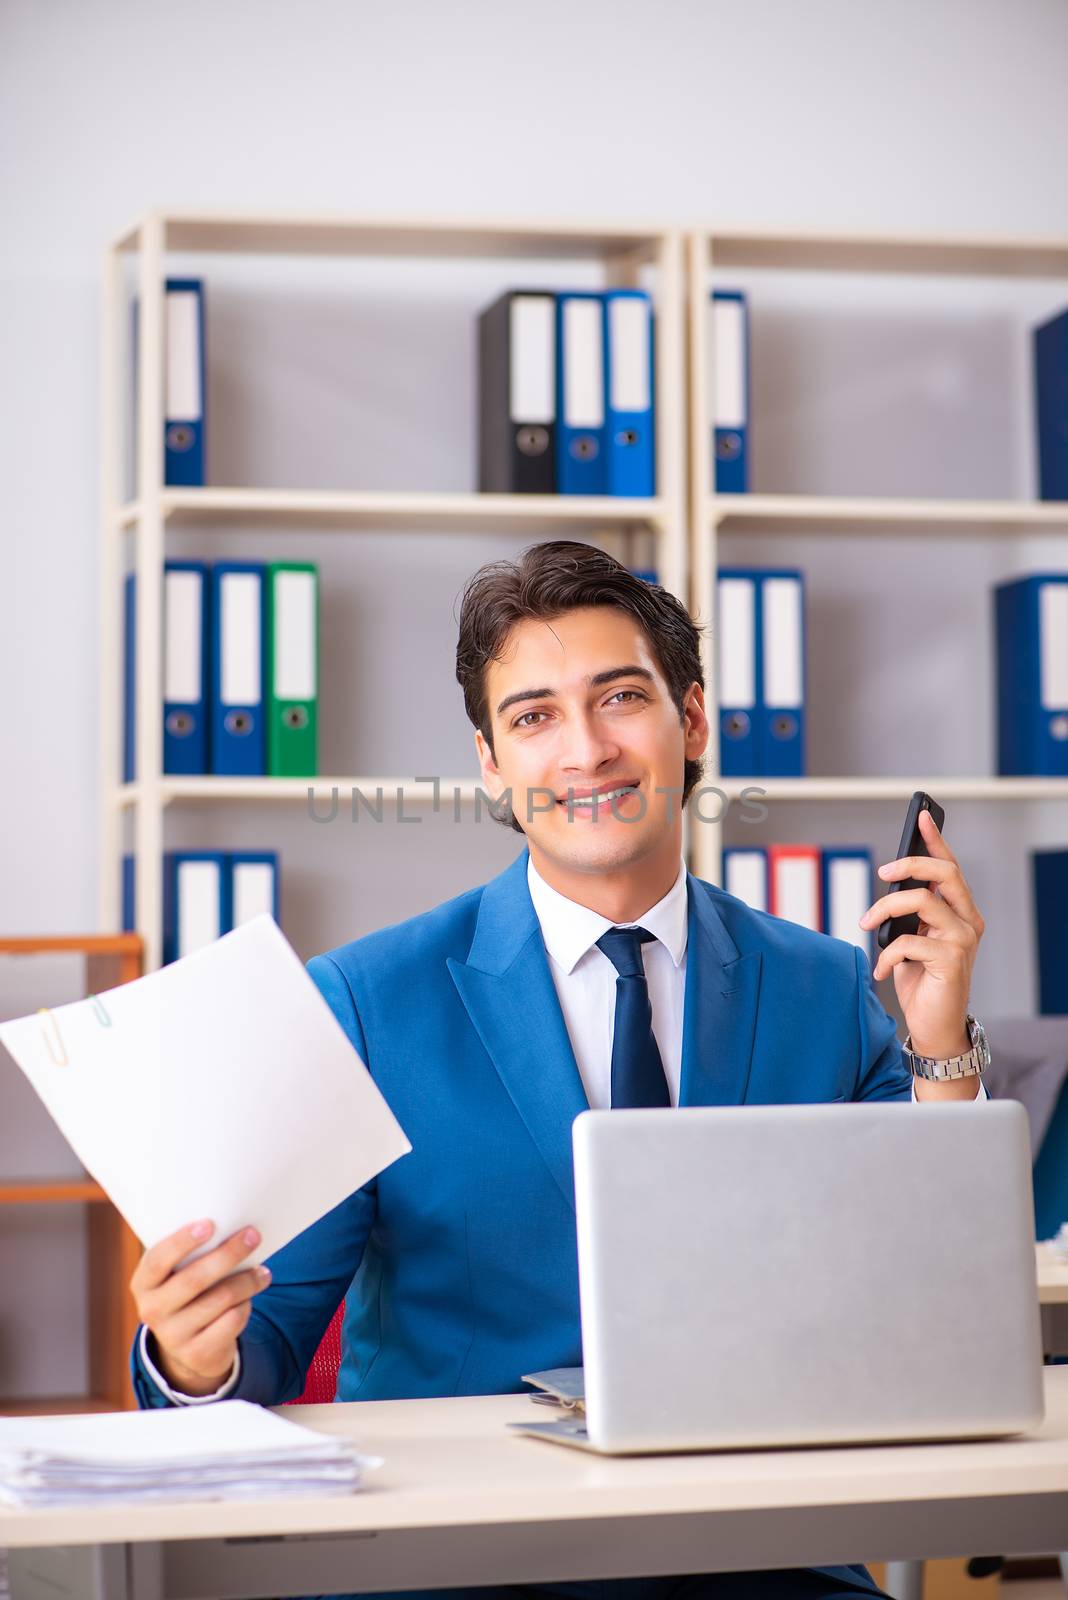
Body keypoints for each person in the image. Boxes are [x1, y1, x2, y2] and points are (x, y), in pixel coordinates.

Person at [130, 541, 989, 1600]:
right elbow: (261, 1347)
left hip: (753, 1554)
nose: (585, 750)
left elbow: (931, 1309)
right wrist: (191, 1351)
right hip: (458, 1561)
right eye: (533, 715)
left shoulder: (828, 988)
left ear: (694, 721)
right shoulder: (368, 1000)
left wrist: (938, 1039)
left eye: (620, 698)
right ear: (492, 762)